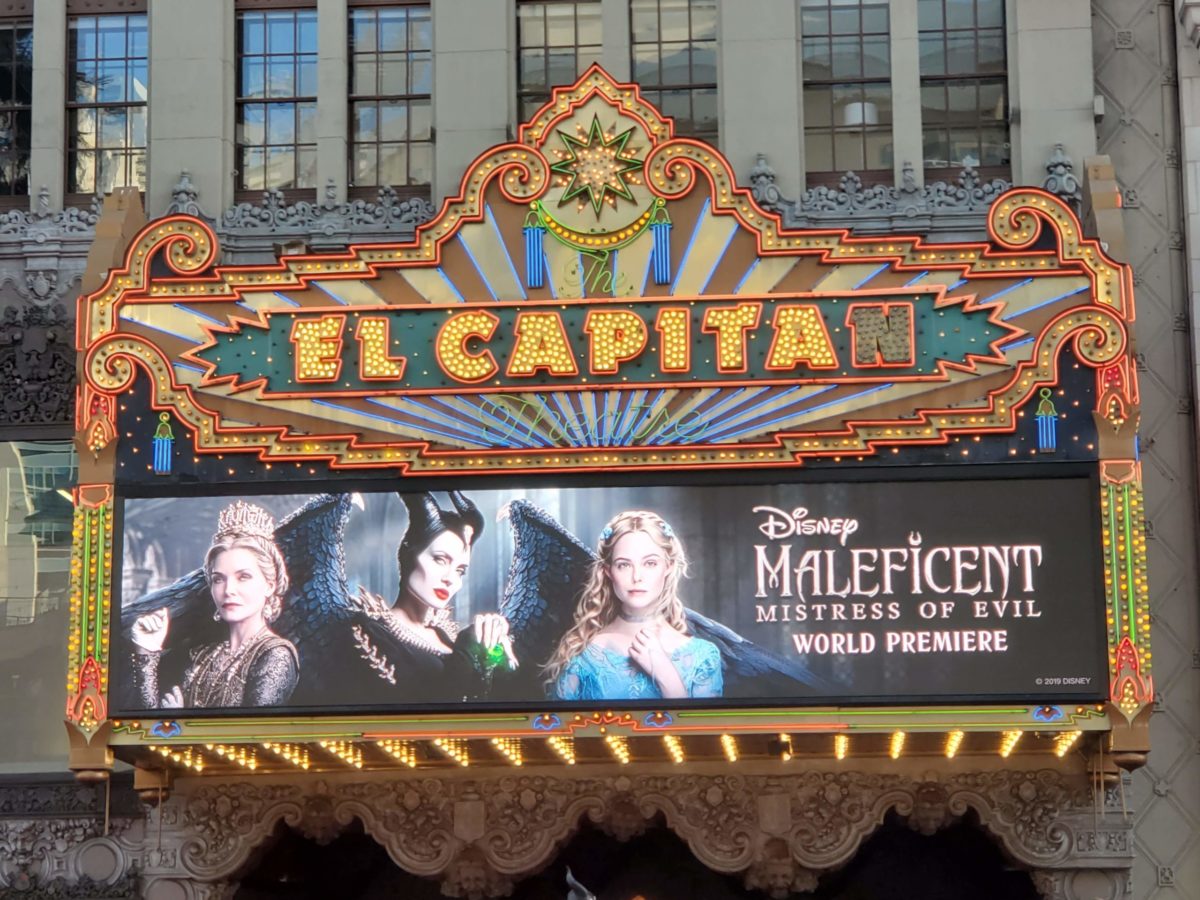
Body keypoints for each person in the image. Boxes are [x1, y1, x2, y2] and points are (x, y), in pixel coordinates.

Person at [335, 491, 518, 704]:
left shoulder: (445, 635)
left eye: (460, 570)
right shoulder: (368, 634)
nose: (451, 578)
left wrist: (495, 648)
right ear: (408, 553)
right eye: (440, 560)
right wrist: (467, 646)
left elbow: (502, 697)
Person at [130, 501, 300, 708]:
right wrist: (146, 649)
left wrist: (183, 725)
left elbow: (254, 734)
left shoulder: (276, 655)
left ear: (269, 585)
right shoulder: (203, 655)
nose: (228, 590)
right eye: (218, 579)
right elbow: (151, 731)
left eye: (243, 576)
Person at [544, 510, 722, 701]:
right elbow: (559, 728)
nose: (637, 577)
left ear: (668, 566)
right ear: (608, 571)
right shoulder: (582, 653)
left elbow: (702, 730)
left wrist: (666, 676)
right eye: (624, 565)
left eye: (650, 563)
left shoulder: (704, 656)